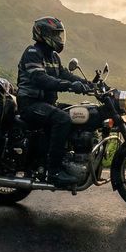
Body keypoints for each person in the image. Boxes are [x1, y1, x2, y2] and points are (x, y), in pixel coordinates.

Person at [17, 16, 90, 187]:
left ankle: (65, 158)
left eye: (59, 34)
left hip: (46, 104)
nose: (58, 38)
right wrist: (69, 86)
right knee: (62, 119)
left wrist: (89, 84)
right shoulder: (32, 53)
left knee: (75, 113)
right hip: (30, 104)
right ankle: (54, 172)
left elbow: (66, 75)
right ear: (43, 34)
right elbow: (40, 78)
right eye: (55, 34)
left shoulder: (54, 57)